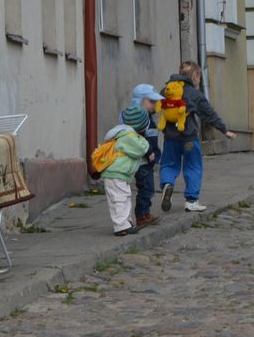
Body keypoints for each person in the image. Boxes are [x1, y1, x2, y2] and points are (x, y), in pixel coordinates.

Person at [159, 61, 236, 213]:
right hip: (189, 139)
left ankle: (167, 184)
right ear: (195, 76)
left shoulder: (165, 90)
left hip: (170, 138)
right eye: (199, 78)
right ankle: (191, 201)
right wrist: (224, 130)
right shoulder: (194, 94)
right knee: (193, 166)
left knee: (168, 164)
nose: (199, 81)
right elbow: (209, 114)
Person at [101, 106, 151, 236]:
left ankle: (126, 223)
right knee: (120, 199)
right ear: (142, 125)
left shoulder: (124, 134)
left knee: (123, 198)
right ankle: (121, 226)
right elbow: (141, 149)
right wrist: (145, 141)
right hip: (116, 173)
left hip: (118, 174)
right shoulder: (128, 136)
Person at [129, 84, 164, 230]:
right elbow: (140, 140)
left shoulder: (148, 117)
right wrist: (150, 152)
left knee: (147, 188)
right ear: (139, 101)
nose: (154, 104)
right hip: (142, 161)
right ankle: (142, 215)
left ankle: (145, 213)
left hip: (147, 161)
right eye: (151, 101)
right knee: (146, 189)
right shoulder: (139, 120)